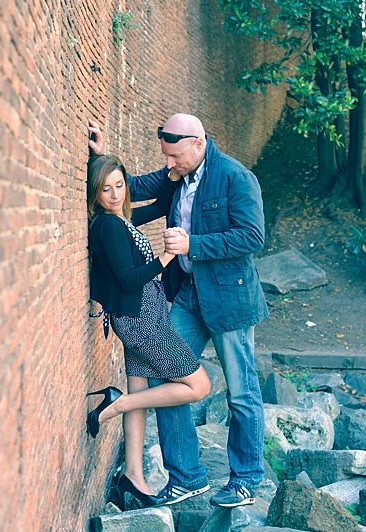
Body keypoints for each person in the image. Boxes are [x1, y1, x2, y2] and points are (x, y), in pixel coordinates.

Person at [87, 114, 269, 508]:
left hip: (229, 299)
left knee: (241, 392)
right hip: (187, 293)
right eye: (166, 157)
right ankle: (186, 476)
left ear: (198, 143)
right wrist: (100, 159)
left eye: (174, 157)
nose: (169, 165)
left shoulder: (235, 178)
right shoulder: (178, 173)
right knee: (163, 375)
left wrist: (193, 244)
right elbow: (127, 189)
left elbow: (252, 236)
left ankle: (246, 480)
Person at [85, 153, 212, 512]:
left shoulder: (121, 218)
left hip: (144, 316)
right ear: (95, 194)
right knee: (200, 386)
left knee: (140, 391)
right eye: (105, 189)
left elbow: (159, 206)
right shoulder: (108, 226)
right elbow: (128, 280)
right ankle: (116, 403)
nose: (114, 195)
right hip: (142, 322)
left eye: (119, 185)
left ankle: (133, 477)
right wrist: (167, 258)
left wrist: (171, 176)